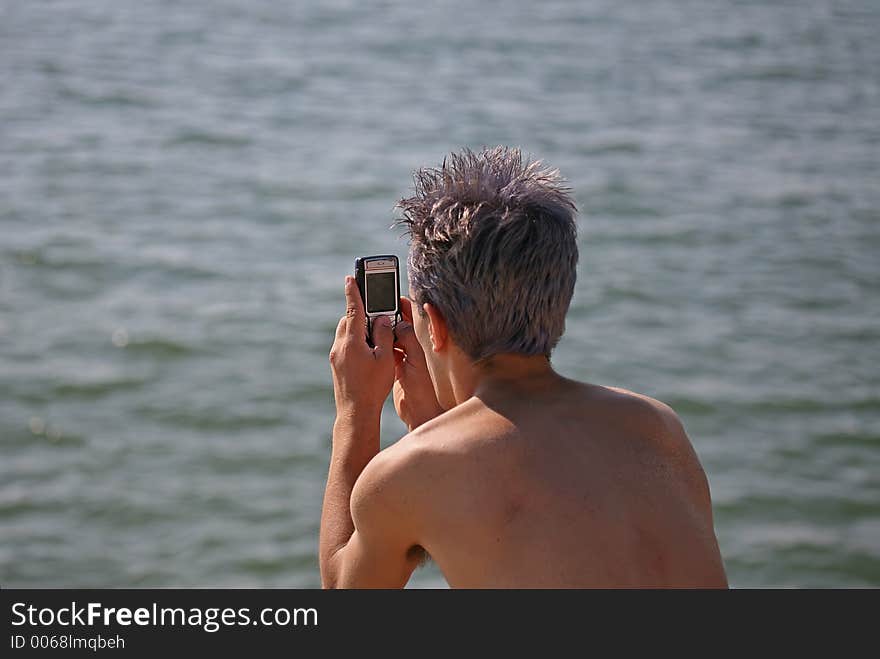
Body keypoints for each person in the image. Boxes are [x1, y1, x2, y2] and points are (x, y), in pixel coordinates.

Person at [320, 146, 728, 588]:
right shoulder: (658, 428)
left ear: (433, 326)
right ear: (558, 301)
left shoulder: (415, 472)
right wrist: (437, 426)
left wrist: (357, 410)